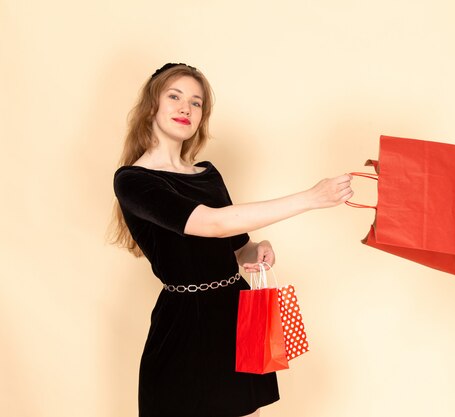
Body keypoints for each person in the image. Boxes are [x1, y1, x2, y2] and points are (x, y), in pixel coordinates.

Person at [111, 63, 353, 417]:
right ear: (152, 106)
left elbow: (237, 246)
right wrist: (310, 198)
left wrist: (259, 251)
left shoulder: (207, 174)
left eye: (196, 103)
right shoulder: (133, 180)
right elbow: (211, 224)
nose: (185, 108)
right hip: (183, 321)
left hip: (237, 310)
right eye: (174, 97)